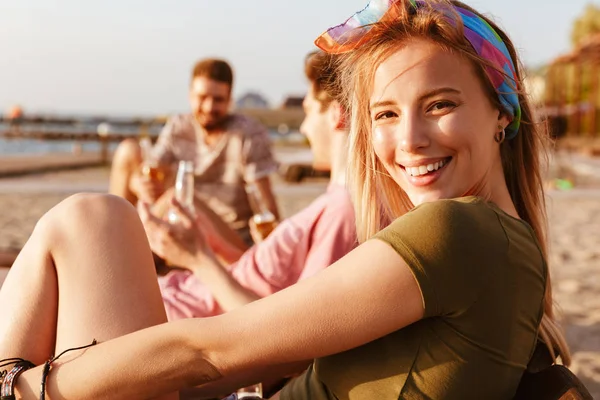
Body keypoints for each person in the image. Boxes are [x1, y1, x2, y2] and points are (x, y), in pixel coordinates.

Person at [0, 1, 572, 399]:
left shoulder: (457, 232)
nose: (410, 140)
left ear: (503, 111)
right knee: (92, 224)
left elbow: (210, 352)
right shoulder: (501, 247)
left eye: (441, 104)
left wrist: (28, 387)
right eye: (386, 114)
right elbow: (273, 355)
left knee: (91, 218)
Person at [148, 50, 357, 319]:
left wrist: (198, 259)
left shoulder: (343, 210)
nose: (303, 128)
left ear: (335, 115)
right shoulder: (335, 202)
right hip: (188, 288)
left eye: (307, 111)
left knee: (89, 213)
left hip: (186, 307)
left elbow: (295, 332)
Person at [109, 58, 280, 244]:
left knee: (175, 198)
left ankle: (121, 243)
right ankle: (116, 242)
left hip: (229, 235)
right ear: (191, 95)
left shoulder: (248, 134)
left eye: (218, 100)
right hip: (185, 227)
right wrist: (137, 184)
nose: (209, 107)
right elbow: (152, 168)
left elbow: (266, 206)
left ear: (230, 99)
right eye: (202, 97)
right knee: (128, 150)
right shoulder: (179, 126)